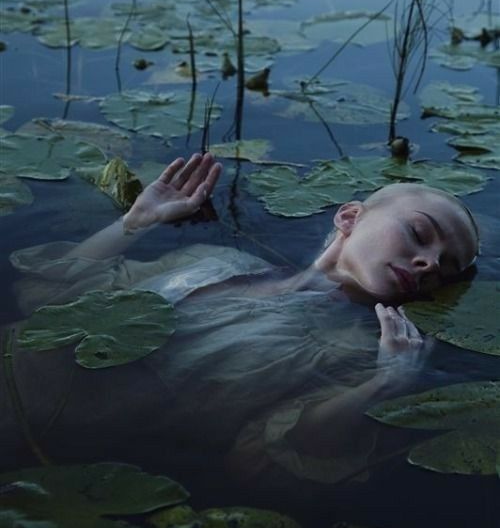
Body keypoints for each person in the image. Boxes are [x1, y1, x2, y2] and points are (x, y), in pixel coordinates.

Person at [2, 152, 479, 487]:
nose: (429, 264)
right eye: (419, 233)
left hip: (33, 447)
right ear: (350, 217)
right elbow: (46, 296)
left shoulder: (356, 354)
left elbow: (260, 457)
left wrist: (388, 381)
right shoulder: (218, 260)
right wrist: (136, 222)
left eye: (446, 268)